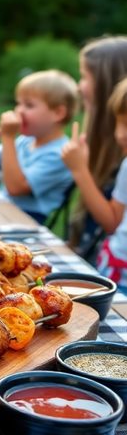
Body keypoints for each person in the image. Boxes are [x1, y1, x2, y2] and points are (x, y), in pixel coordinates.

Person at [0, 69, 78, 223]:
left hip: (26, 220)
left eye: (29, 105)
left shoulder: (60, 154)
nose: (19, 110)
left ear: (58, 113)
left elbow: (16, 189)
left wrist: (7, 137)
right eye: (18, 104)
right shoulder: (25, 141)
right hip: (5, 211)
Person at [65, 36, 127, 260]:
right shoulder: (101, 144)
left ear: (104, 84)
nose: (79, 86)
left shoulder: (122, 155)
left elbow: (112, 222)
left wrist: (79, 169)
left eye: (84, 77)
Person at [62, 78, 127, 291]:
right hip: (118, 270)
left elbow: (110, 222)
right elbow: (114, 221)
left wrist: (80, 170)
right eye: (124, 123)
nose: (123, 134)